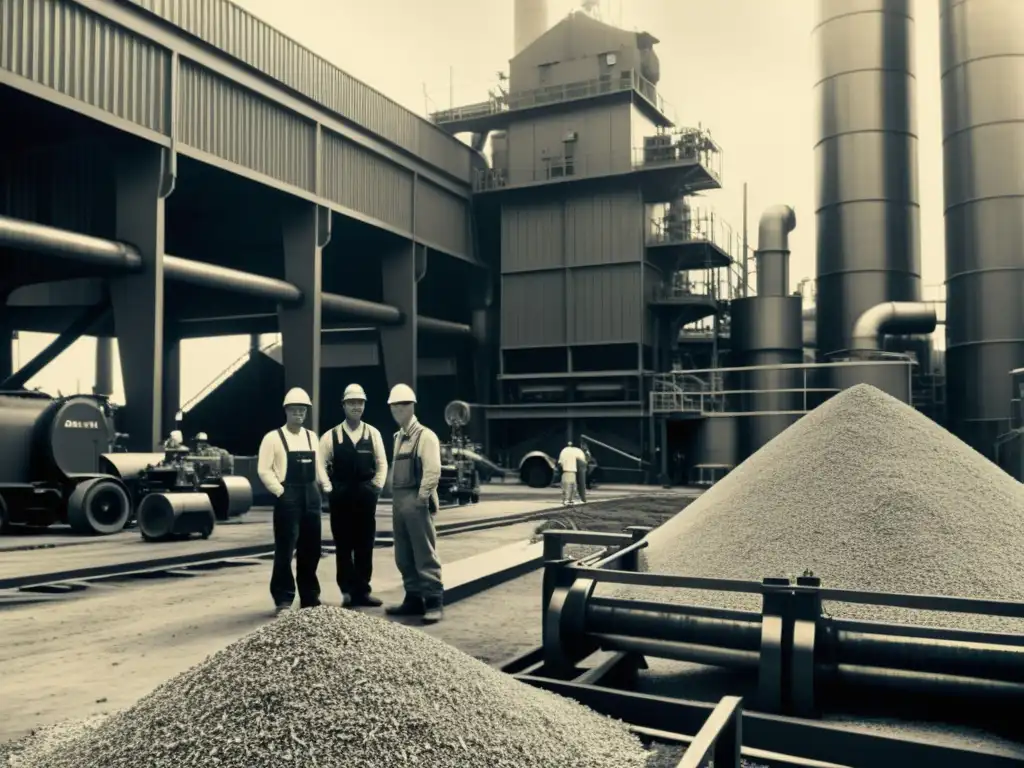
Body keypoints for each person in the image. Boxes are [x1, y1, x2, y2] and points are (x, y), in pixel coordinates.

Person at [257, 387, 332, 617]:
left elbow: (318, 466)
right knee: (285, 549)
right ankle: (283, 600)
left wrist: (326, 487)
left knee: (312, 548)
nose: (299, 413)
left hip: (311, 495)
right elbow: (264, 470)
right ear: (286, 411)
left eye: (302, 410)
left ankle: (310, 597)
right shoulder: (272, 438)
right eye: (294, 410)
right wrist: (279, 491)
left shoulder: (311, 437)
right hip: (287, 496)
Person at [319, 383, 388, 608]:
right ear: (344, 405)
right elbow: (320, 464)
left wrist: (376, 485)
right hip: (341, 495)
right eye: (351, 403)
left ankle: (362, 591)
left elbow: (382, 463)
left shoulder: (373, 433)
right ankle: (347, 591)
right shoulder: (331, 436)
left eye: (359, 403)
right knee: (343, 545)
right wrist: (329, 488)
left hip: (365, 495)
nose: (356, 407)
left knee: (365, 544)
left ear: (364, 405)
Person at [383, 383, 444, 624]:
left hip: (416, 500)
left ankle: (433, 601)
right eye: (393, 406)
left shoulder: (425, 436)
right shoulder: (397, 437)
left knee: (424, 553)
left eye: (401, 405)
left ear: (411, 407)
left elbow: (433, 470)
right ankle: (413, 599)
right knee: (404, 554)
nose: (396, 410)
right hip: (399, 501)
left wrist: (423, 498)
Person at [557, 440, 586, 506]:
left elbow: (560, 463)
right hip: (572, 471)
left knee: (568, 487)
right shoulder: (577, 451)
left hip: (566, 471)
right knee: (572, 487)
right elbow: (582, 461)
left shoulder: (564, 450)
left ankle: (567, 500)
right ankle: (568, 500)